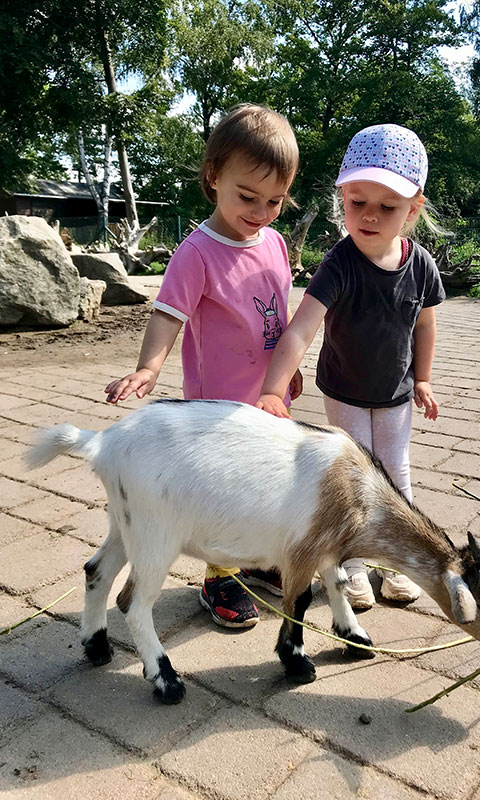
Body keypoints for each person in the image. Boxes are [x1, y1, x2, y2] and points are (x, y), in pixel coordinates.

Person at [104, 104, 301, 628]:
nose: (260, 211)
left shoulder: (276, 243)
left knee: (268, 483)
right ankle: (220, 576)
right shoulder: (197, 253)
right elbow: (169, 315)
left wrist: (284, 374)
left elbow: (277, 314)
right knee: (222, 492)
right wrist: (148, 368)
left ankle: (258, 559)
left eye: (275, 201)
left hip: (267, 399)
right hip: (217, 408)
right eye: (247, 197)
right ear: (214, 177)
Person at [257, 123, 446, 609]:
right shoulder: (339, 264)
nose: (369, 216)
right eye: (357, 201)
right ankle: (349, 569)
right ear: (343, 194)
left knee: (396, 477)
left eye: (388, 207)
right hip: (344, 391)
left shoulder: (420, 263)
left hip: (397, 394)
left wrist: (423, 378)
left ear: (413, 209)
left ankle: (397, 562)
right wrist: (273, 390)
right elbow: (300, 329)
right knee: (354, 478)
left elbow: (424, 326)